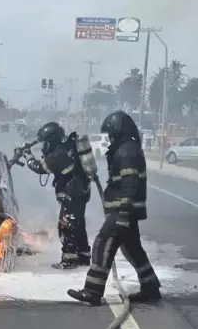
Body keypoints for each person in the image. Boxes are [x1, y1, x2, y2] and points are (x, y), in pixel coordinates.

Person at [67, 110, 161, 306]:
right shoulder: (127, 148)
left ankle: (92, 291)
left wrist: (123, 212)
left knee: (102, 245)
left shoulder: (126, 151)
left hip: (122, 211)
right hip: (125, 210)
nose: (109, 138)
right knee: (133, 249)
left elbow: (129, 183)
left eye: (111, 134)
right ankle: (150, 287)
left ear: (118, 131)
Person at [23, 121, 93, 269]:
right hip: (81, 192)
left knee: (66, 226)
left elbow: (40, 167)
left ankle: (69, 260)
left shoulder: (59, 154)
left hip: (72, 194)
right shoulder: (68, 147)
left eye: (46, 142)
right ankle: (83, 257)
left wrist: (28, 156)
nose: (45, 146)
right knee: (78, 225)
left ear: (52, 139)